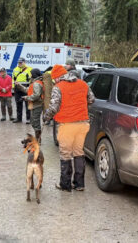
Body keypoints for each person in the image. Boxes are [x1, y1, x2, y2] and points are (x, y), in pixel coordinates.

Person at [43, 64, 95, 192]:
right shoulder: (83, 84)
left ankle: (65, 184)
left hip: (66, 125)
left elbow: (54, 108)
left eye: (54, 79)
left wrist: (46, 117)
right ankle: (79, 184)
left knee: (65, 154)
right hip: (82, 124)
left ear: (58, 77)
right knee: (79, 152)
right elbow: (92, 99)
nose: (54, 81)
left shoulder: (58, 87)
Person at [19, 68, 44, 142]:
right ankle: (37, 138)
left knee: (36, 123)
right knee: (33, 122)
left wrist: (26, 98)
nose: (30, 75)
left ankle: (38, 140)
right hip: (35, 105)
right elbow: (28, 90)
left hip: (37, 105)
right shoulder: (35, 82)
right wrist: (19, 86)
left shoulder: (36, 83)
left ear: (34, 74)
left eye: (31, 74)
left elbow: (36, 95)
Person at [12, 58, 32, 124]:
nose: (19, 64)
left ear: (24, 62)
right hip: (17, 88)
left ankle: (28, 119)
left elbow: (31, 79)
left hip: (25, 87)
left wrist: (30, 87)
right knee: (18, 103)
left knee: (27, 104)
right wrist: (13, 86)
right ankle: (19, 118)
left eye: (21, 62)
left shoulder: (29, 69)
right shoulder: (15, 69)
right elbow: (13, 79)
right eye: (19, 63)